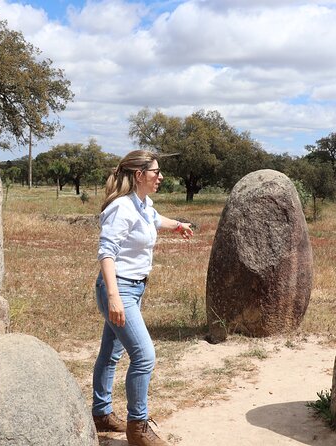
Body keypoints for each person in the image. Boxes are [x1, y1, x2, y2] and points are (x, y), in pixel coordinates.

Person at [92, 150, 193, 446]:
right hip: (118, 289)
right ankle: (138, 428)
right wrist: (114, 297)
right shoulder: (121, 208)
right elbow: (106, 253)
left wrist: (177, 225)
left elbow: (154, 218)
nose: (160, 177)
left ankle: (101, 413)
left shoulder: (143, 204)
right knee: (144, 356)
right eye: (155, 172)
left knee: (110, 354)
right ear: (139, 175)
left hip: (134, 289)